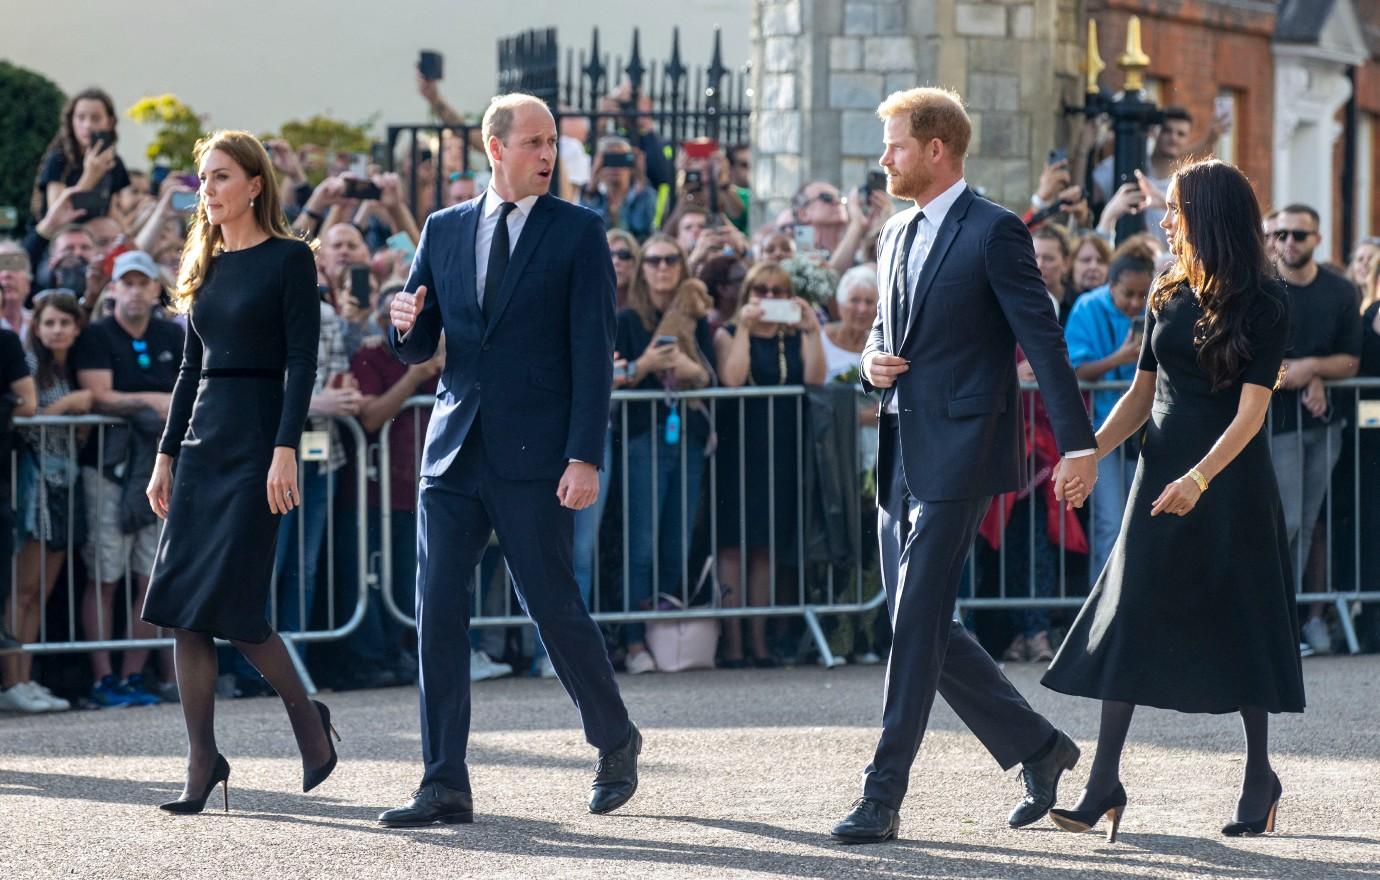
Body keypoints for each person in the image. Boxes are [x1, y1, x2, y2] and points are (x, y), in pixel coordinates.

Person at [832, 87, 1098, 845]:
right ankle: (1041, 748)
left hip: (963, 454)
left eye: (895, 145)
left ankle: (881, 795)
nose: (884, 158)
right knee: (921, 624)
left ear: (936, 148)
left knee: (914, 622)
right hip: (899, 453)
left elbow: (1043, 342)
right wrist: (869, 365)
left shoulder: (995, 231)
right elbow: (880, 337)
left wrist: (1080, 446)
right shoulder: (893, 235)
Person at [379, 93, 640, 827]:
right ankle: (443, 781)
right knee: (438, 613)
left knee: (551, 605)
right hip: (455, 449)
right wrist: (401, 326)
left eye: (552, 142)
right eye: (534, 142)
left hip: (536, 453)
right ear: (495, 148)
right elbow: (421, 336)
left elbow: (594, 356)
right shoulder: (445, 226)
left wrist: (584, 456)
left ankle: (615, 737)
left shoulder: (579, 232)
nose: (547, 155)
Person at [1043, 159, 1306, 841]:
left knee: (1241, 619)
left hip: (1228, 483)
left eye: (1176, 210)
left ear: (1209, 217)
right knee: (1128, 614)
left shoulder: (1268, 301)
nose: (1164, 220)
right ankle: (1104, 780)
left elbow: (1250, 414)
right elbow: (1139, 396)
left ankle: (1259, 777)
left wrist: (1200, 478)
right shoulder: (1166, 289)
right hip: (1157, 476)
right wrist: (1088, 454)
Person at [141, 131, 334, 813]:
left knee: (239, 612)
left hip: (258, 444)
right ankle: (203, 760)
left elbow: (302, 363)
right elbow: (191, 369)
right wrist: (165, 455)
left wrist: (285, 447)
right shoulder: (206, 261)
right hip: (201, 447)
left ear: (255, 184)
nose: (209, 191)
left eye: (221, 177)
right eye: (203, 180)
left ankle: (308, 720)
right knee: (185, 613)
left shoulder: (290, 260)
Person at [72, 249, 183, 708]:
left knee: (147, 576)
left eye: (143, 283)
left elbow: (187, 387)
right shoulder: (97, 335)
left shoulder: (171, 333)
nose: (135, 291)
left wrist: (148, 402)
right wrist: (153, 402)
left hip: (160, 468)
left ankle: (134, 675)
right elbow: (99, 395)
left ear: (156, 290)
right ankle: (103, 678)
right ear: (113, 288)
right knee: (105, 575)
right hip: (109, 468)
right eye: (127, 282)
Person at [714, 261, 825, 668]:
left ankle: (758, 643)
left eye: (780, 290)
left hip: (782, 449)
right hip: (738, 448)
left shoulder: (793, 336)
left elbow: (815, 379)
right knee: (732, 547)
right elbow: (732, 379)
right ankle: (733, 642)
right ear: (747, 292)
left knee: (765, 549)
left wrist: (811, 329)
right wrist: (744, 327)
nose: (771, 297)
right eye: (761, 289)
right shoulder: (727, 333)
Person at [1264, 204, 1362, 656]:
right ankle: (1275, 622)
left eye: (1299, 235)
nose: (1289, 242)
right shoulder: (1264, 287)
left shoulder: (1340, 291)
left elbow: (1351, 360)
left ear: (1317, 239)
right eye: (1281, 233)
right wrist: (1301, 373)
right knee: (1284, 521)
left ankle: (1293, 620)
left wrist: (1312, 369)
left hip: (1326, 424)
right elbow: (1257, 357)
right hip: (1274, 424)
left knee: (1307, 523)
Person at [615, 235, 715, 674]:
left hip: (687, 438)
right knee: (641, 545)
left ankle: (665, 636)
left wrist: (692, 371)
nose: (662, 267)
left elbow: (711, 376)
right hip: (643, 436)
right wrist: (645, 366)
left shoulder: (696, 316)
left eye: (671, 259)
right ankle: (634, 641)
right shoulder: (625, 319)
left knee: (677, 543)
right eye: (653, 260)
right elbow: (615, 375)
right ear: (642, 269)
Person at [0, 292, 84, 713]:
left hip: (63, 481)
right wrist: (73, 405)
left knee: (43, 589)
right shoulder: (29, 363)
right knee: (24, 587)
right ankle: (13, 680)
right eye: (49, 323)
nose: (57, 330)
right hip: (33, 479)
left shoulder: (68, 365)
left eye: (65, 323)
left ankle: (26, 677)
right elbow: (28, 417)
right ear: (37, 326)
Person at [1064, 253, 1154, 581]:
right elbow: (1076, 369)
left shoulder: (1158, 305)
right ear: (1111, 286)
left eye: (1142, 295)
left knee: (1143, 522)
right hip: (1101, 431)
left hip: (1147, 432)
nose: (1135, 303)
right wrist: (1121, 357)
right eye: (1128, 294)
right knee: (1110, 522)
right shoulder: (1087, 308)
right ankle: (1100, 606)